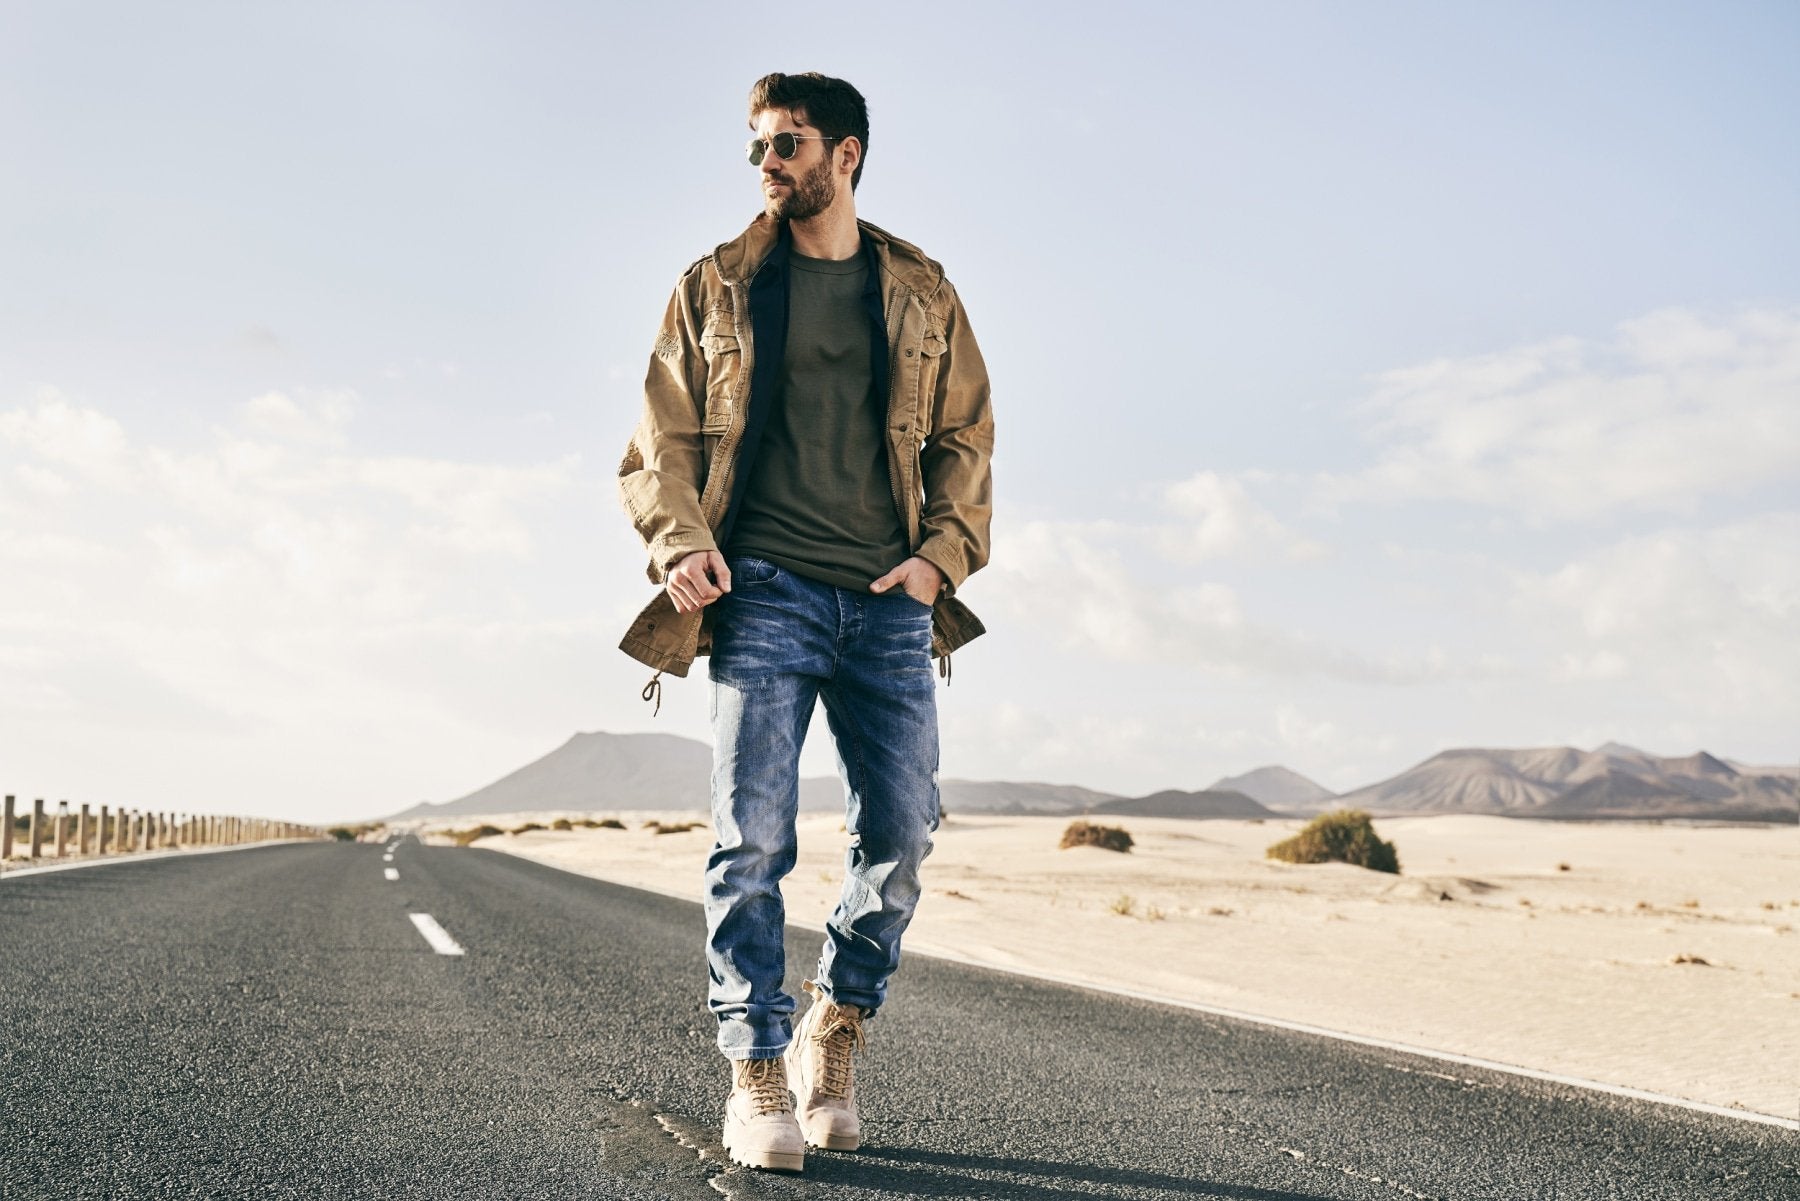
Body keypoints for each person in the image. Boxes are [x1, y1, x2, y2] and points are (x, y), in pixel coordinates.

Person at [615, 71, 993, 1172]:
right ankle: (757, 1069)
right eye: (757, 148)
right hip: (766, 588)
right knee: (754, 841)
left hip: (886, 601)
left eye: (786, 145)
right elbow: (661, 445)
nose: (766, 164)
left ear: (847, 155)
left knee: (905, 829)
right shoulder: (716, 285)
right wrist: (682, 544)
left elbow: (965, 435)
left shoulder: (920, 289)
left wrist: (939, 557)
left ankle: (838, 1020)